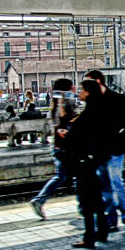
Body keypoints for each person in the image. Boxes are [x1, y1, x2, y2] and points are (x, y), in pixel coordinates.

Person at [84, 69, 125, 235]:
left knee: (116, 182)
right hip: (99, 151)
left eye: (88, 83)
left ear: (98, 81)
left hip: (115, 149)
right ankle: (112, 220)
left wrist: (121, 138)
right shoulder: (92, 101)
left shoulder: (116, 98)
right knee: (105, 187)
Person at [64, 78, 109, 248]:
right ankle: (102, 231)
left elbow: (78, 134)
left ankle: (89, 236)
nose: (80, 93)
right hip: (94, 160)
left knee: (87, 202)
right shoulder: (98, 109)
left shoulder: (90, 111)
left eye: (82, 90)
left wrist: (66, 134)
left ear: (89, 92)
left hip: (85, 163)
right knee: (96, 200)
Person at [29, 78, 77, 219]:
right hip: (65, 147)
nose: (74, 88)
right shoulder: (62, 106)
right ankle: (86, 206)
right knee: (77, 175)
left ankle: (40, 200)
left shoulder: (58, 106)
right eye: (71, 87)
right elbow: (62, 122)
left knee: (62, 176)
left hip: (60, 147)